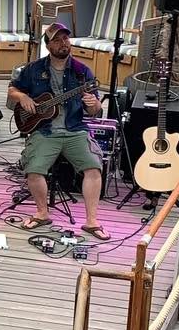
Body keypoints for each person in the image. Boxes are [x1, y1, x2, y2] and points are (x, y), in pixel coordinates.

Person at [7, 22, 109, 240]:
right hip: (44, 130)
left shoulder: (82, 72)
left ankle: (92, 221)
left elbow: (95, 111)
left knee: (93, 168)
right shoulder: (33, 69)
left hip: (75, 129)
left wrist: (93, 104)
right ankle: (42, 213)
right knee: (34, 169)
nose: (63, 43)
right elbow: (12, 89)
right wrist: (23, 97)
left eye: (65, 38)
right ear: (48, 45)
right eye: (57, 40)